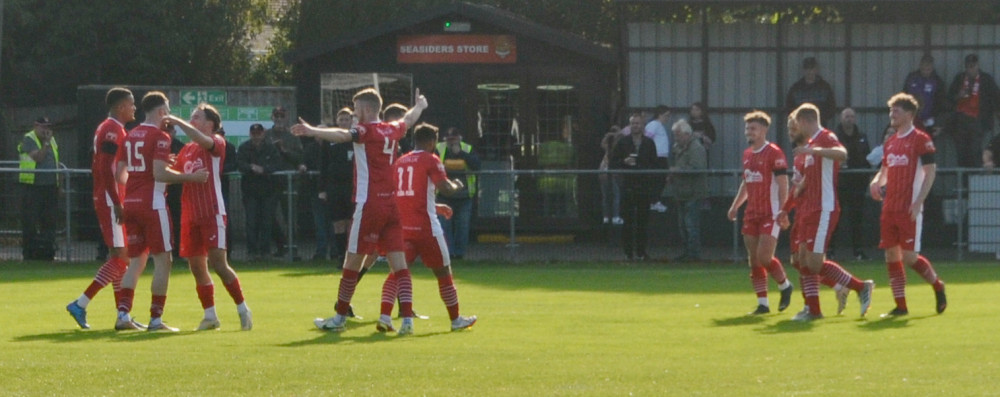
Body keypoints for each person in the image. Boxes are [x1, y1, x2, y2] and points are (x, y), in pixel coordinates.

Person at [293, 87, 428, 335]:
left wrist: (312, 130)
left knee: (351, 262)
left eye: (356, 109)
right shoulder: (392, 128)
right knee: (399, 265)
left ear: (366, 109)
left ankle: (339, 317)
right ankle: (407, 320)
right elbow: (408, 119)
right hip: (392, 205)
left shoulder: (367, 130)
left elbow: (343, 135)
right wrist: (420, 105)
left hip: (369, 204)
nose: (354, 114)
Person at [115, 91, 209, 332]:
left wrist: (138, 185)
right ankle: (156, 319)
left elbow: (120, 174)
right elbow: (159, 174)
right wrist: (192, 177)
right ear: (161, 112)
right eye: (167, 110)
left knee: (136, 260)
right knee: (163, 260)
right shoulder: (160, 135)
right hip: (153, 204)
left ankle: (123, 315)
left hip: (131, 202)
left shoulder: (131, 134)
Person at [375, 123, 477, 332]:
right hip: (426, 228)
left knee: (397, 272)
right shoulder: (431, 159)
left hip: (403, 227)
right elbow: (446, 188)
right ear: (431, 142)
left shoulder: (401, 161)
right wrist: (457, 184)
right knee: (444, 273)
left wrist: (436, 206)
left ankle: (385, 316)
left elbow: (405, 194)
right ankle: (456, 320)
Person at [779, 103, 873, 321]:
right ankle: (813, 309)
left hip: (823, 208)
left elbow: (842, 153)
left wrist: (815, 151)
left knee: (813, 262)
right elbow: (802, 184)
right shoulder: (807, 147)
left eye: (796, 124)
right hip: (808, 210)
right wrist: (786, 208)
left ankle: (860, 287)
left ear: (804, 121)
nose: (794, 129)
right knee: (802, 260)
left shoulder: (825, 136)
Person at [166, 104, 253, 330]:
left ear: (210, 124)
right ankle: (210, 316)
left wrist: (178, 122)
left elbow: (204, 141)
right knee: (196, 267)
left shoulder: (217, 142)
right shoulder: (186, 150)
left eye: (197, 116)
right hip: (190, 215)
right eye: (191, 116)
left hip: (211, 212)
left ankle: (243, 308)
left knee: (219, 264)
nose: (191, 119)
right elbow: (171, 175)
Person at [869, 93, 947, 317]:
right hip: (889, 208)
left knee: (910, 257)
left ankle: (937, 285)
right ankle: (900, 306)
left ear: (910, 114)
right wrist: (875, 182)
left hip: (909, 208)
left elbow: (930, 172)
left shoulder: (921, 139)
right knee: (891, 256)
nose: (892, 115)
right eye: (891, 110)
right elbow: (884, 172)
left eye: (896, 111)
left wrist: (919, 201)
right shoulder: (891, 142)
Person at [65, 87, 135, 329]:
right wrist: (117, 202)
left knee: (120, 257)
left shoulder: (112, 128)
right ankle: (81, 303)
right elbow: (105, 168)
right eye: (131, 104)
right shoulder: (112, 129)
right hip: (109, 198)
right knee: (121, 257)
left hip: (110, 196)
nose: (134, 108)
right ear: (119, 107)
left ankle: (122, 315)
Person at [727, 111, 793, 315]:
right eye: (747, 128)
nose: (749, 132)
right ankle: (763, 304)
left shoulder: (774, 153)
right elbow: (747, 182)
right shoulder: (747, 154)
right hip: (752, 213)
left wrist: (784, 210)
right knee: (753, 259)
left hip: (770, 213)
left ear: (764, 130)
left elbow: (783, 184)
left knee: (764, 256)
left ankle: (785, 285)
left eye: (753, 128)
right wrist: (735, 205)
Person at [611, 113, 657, 261]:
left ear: (642, 125)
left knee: (643, 221)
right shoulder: (623, 142)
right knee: (628, 221)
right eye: (633, 123)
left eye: (638, 123)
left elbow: (655, 163)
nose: (635, 126)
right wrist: (624, 162)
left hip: (643, 187)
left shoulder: (649, 143)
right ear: (629, 125)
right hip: (627, 186)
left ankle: (642, 252)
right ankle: (628, 252)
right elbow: (613, 163)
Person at [237, 123, 282, 261]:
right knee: (251, 222)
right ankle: (252, 252)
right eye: (254, 133)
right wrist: (251, 167)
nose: (256, 136)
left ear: (263, 133)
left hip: (268, 191)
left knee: (267, 222)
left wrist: (264, 169)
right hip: (250, 191)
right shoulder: (244, 147)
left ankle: (265, 252)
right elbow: (239, 164)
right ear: (250, 134)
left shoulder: (271, 148)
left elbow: (277, 164)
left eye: (259, 133)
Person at [17, 117, 60, 261]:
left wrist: (59, 184)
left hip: (50, 187)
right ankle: (29, 254)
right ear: (36, 126)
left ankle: (47, 253)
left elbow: (56, 162)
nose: (46, 130)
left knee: (49, 221)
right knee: (30, 221)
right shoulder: (29, 139)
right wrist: (46, 143)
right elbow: (38, 158)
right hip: (32, 187)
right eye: (43, 127)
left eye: (48, 127)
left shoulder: (52, 140)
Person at [947, 54, 1000, 169]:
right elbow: (948, 98)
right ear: (965, 67)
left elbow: (996, 97)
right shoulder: (960, 78)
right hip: (960, 121)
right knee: (961, 152)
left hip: (978, 121)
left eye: (973, 66)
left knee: (975, 151)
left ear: (977, 65)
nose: (971, 69)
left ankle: (974, 181)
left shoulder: (986, 79)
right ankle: (962, 183)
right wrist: (958, 96)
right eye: (968, 66)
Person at [832, 108, 872, 260]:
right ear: (841, 119)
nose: (850, 119)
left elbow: (866, 158)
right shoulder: (834, 138)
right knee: (835, 217)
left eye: (852, 116)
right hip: (839, 184)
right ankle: (830, 250)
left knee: (857, 219)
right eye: (847, 116)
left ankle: (858, 251)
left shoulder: (862, 137)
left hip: (858, 184)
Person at [436, 127, 480, 260]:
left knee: (462, 225)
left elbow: (477, 165)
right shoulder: (439, 148)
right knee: (444, 226)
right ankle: (448, 253)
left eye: (454, 140)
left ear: (459, 139)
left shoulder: (467, 149)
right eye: (449, 140)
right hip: (444, 195)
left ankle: (459, 254)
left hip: (464, 195)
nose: (452, 143)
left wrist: (461, 154)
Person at [318, 108, 356, 263]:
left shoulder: (356, 138)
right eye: (341, 119)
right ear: (337, 121)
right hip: (334, 187)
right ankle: (341, 256)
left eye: (347, 119)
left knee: (351, 223)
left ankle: (352, 255)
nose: (344, 122)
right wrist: (322, 189)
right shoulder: (330, 140)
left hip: (352, 187)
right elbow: (323, 165)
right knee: (338, 223)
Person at [266, 106, 303, 257]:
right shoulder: (266, 135)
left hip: (289, 181)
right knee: (268, 215)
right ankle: (281, 245)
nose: (279, 118)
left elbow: (300, 158)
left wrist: (284, 150)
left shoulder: (293, 136)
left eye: (282, 116)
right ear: (272, 117)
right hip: (271, 181)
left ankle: (292, 248)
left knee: (290, 216)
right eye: (277, 116)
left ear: (286, 118)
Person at [670, 119, 708, 262]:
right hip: (681, 192)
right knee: (683, 226)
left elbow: (698, 168)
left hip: (693, 192)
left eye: (678, 135)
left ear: (687, 134)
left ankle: (693, 254)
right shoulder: (678, 147)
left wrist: (677, 170)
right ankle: (687, 252)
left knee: (691, 225)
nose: (676, 138)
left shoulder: (696, 148)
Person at [902, 53, 947, 133]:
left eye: (928, 69)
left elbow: (941, 102)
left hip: (929, 120)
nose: (925, 72)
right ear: (920, 66)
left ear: (932, 68)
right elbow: (904, 96)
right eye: (923, 69)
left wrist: (936, 119)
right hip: (912, 118)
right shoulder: (912, 78)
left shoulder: (937, 81)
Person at [785, 57, 837, 124]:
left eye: (812, 68)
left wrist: (819, 119)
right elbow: (789, 108)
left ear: (816, 69)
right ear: (803, 70)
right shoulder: (796, 88)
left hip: (820, 127)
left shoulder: (825, 87)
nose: (809, 71)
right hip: (801, 128)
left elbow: (831, 108)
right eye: (807, 69)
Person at [645, 106, 671, 213]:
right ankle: (653, 202)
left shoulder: (659, 125)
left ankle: (655, 201)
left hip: (662, 157)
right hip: (657, 158)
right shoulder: (654, 125)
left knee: (661, 180)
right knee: (657, 180)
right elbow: (647, 138)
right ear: (660, 114)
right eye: (666, 115)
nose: (668, 118)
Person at [599, 126, 622, 225]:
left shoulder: (612, 147)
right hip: (609, 171)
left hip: (604, 170)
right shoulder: (614, 147)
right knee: (615, 194)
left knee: (607, 195)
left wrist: (611, 135)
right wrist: (614, 134)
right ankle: (614, 216)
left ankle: (606, 217)